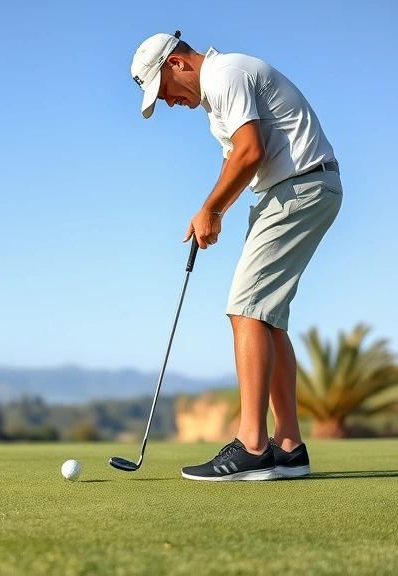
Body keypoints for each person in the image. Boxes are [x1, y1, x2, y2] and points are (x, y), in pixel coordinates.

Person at [130, 31, 342, 481]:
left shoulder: (226, 74)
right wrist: (215, 211)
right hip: (294, 189)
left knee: (244, 311)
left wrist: (210, 208)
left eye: (164, 92)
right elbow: (239, 164)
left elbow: (250, 152)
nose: (169, 103)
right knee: (266, 318)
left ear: (176, 65)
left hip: (298, 187)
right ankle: (288, 447)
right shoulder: (217, 100)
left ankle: (251, 445)